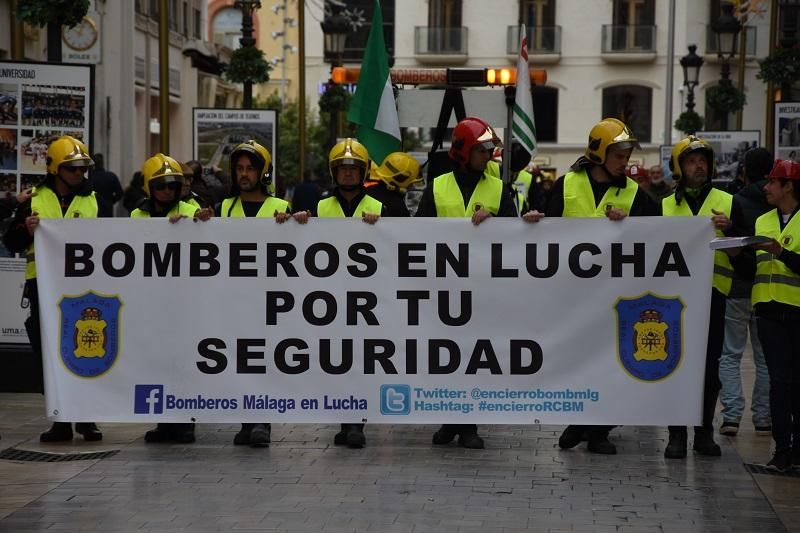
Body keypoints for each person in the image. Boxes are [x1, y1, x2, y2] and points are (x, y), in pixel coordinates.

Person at [547, 118, 656, 455]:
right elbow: (542, 234)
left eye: (627, 155)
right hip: (573, 297)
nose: (626, 162)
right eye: (620, 155)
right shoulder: (565, 185)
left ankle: (596, 430)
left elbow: (663, 237)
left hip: (617, 299)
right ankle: (581, 420)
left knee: (611, 364)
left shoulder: (637, 195)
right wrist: (532, 221)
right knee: (580, 362)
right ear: (600, 154)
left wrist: (633, 226)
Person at [416, 117, 519, 449]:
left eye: (490, 149)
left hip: (482, 288)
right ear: (462, 150)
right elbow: (417, 234)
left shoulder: (499, 189)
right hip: (443, 287)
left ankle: (469, 424)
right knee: (447, 359)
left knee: (474, 358)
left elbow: (515, 237)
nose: (487, 155)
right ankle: (451, 421)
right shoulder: (437, 186)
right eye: (481, 149)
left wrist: (497, 223)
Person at [1, 135, 103, 442]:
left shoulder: (93, 198)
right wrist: (26, 229)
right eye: (72, 168)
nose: (79, 174)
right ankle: (60, 420)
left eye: (83, 168)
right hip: (42, 289)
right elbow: (12, 242)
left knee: (86, 353)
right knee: (48, 358)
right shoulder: (34, 199)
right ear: (55, 168)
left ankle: (86, 418)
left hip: (83, 291)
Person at [216, 140, 304, 448]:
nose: (244, 174)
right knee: (241, 359)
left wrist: (296, 223)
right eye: (239, 169)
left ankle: (261, 421)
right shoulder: (222, 208)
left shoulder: (280, 207)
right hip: (233, 299)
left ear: (263, 173)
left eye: (250, 169)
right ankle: (247, 421)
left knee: (262, 358)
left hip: (269, 301)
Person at [660, 135, 732, 459]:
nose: (698, 165)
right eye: (691, 160)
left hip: (714, 297)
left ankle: (704, 432)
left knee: (708, 369)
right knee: (676, 365)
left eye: (703, 160)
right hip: (674, 301)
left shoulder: (728, 202)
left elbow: (743, 257)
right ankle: (676, 435)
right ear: (679, 167)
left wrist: (729, 230)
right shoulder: (662, 205)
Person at [132, 153, 211, 444]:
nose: (167, 191)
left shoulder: (192, 208)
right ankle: (164, 421)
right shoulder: (136, 215)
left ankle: (185, 421)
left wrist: (199, 221)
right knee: (158, 360)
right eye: (161, 186)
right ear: (149, 188)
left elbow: (207, 233)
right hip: (152, 301)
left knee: (183, 360)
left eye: (172, 186)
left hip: (185, 301)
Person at [312, 138, 383, 448]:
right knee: (338, 361)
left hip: (369, 297)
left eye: (354, 168)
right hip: (331, 296)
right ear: (334, 172)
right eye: (343, 168)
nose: (349, 174)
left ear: (364, 171)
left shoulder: (383, 206)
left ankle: (356, 423)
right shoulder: (320, 206)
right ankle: (346, 421)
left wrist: (383, 226)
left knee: (360, 360)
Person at [719, 147, 774, 437]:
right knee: (763, 356)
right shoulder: (779, 200)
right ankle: (763, 417)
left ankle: (731, 416)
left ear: (744, 171)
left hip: (738, 287)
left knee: (730, 354)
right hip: (768, 286)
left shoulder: (735, 200)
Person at [749, 159, 800, 471]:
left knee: (796, 383)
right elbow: (753, 268)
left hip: (796, 312)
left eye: (772, 182)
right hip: (767, 311)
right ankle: (782, 449)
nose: (766, 187)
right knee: (778, 382)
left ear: (788, 186)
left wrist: (781, 253)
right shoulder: (762, 220)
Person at [363, 152, 422, 217]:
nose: (412, 186)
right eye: (411, 183)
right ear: (400, 179)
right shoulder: (397, 205)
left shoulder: (364, 191)